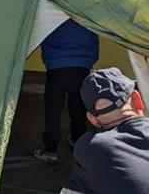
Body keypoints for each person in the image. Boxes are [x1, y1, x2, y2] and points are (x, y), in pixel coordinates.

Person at [33, 19, 99, 164]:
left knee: (53, 111)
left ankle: (50, 151)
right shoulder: (88, 13)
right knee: (78, 109)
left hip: (56, 69)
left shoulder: (52, 13)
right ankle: (77, 141)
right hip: (81, 67)